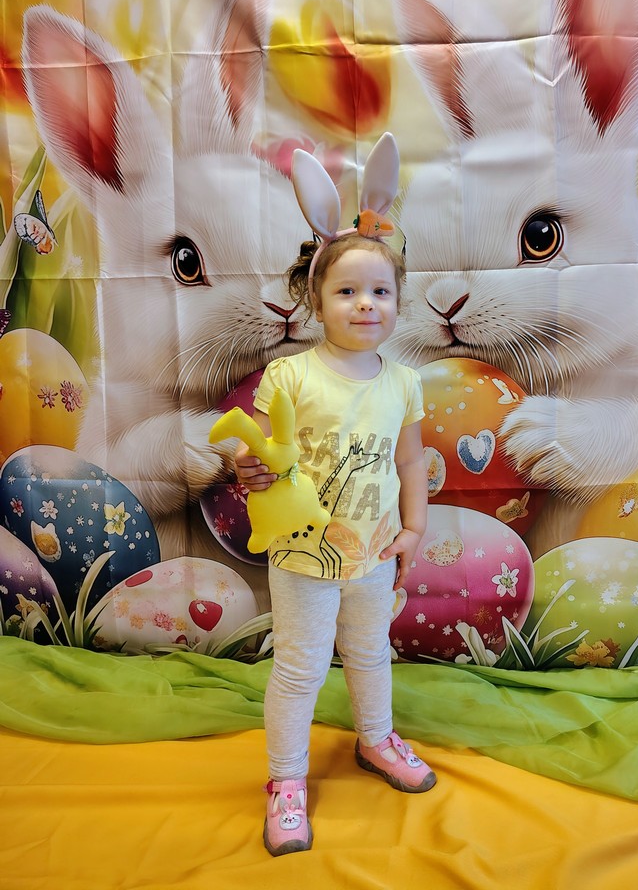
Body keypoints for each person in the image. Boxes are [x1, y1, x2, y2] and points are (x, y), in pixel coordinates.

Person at [234, 137, 435, 857]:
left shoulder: (403, 381)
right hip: (302, 556)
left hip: (374, 551)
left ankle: (376, 739)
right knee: (301, 667)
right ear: (315, 300)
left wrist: (413, 529)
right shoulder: (290, 376)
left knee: (371, 653)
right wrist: (249, 470)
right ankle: (286, 781)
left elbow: (409, 461)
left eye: (380, 291)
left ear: (398, 303)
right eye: (347, 291)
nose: (365, 304)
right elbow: (259, 453)